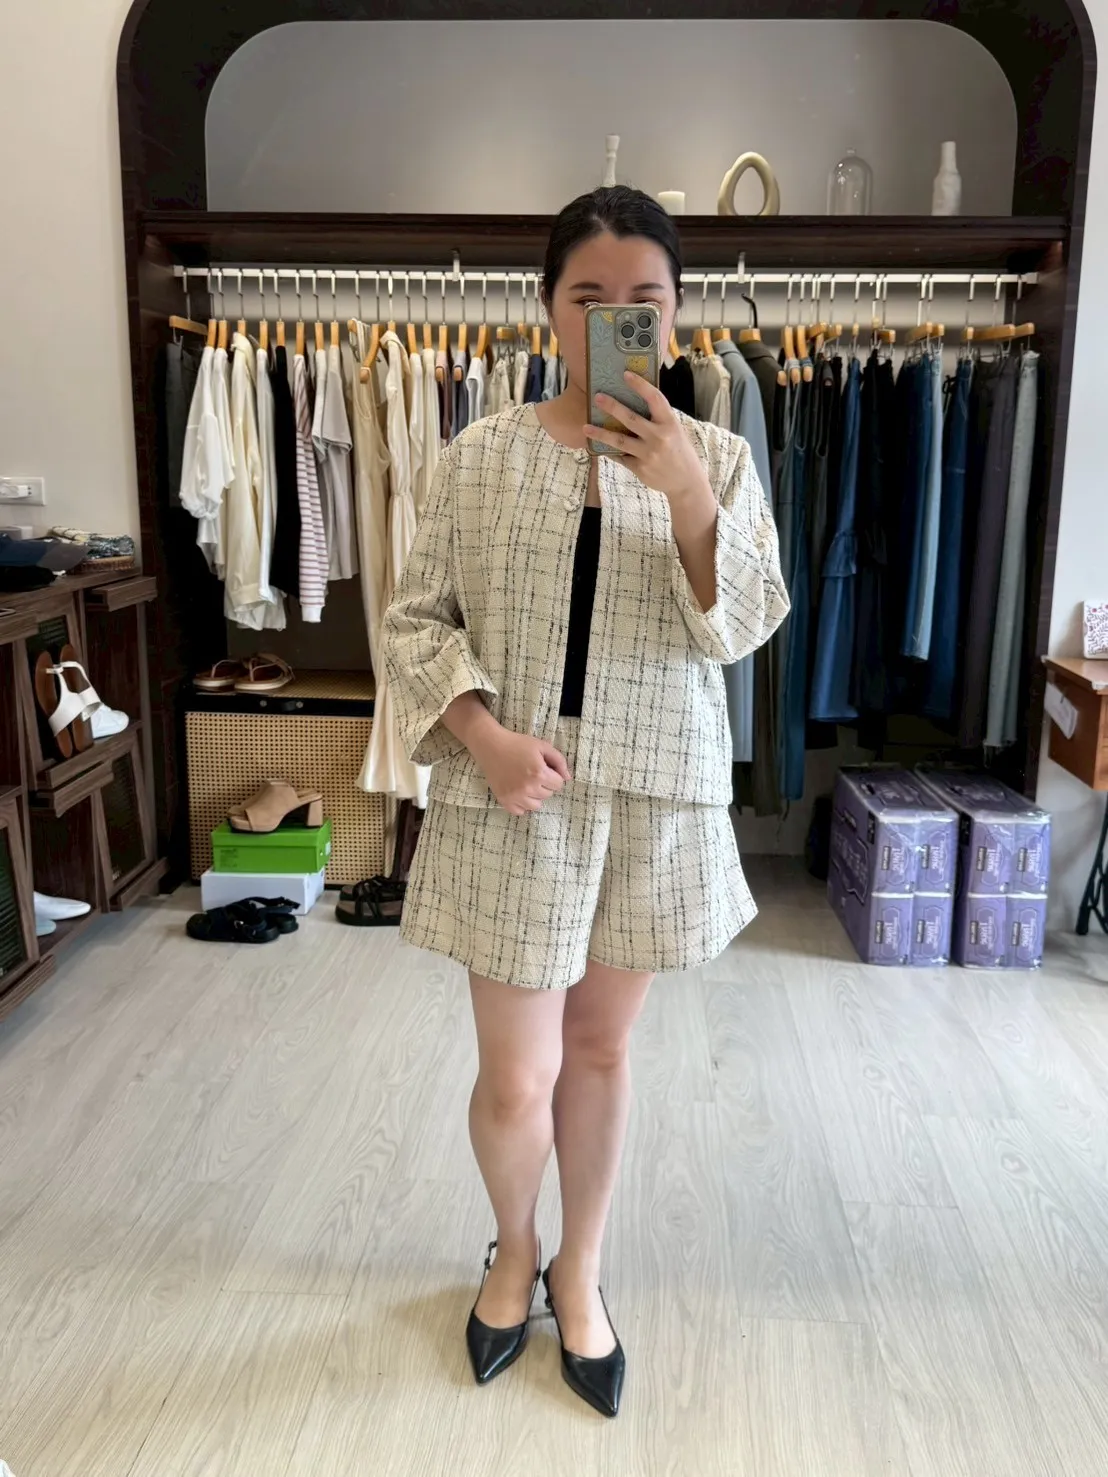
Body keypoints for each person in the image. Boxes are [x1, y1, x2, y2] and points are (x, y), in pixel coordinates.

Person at [380, 185, 789, 1418]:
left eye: (644, 301)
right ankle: (512, 1250)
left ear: (677, 316)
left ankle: (581, 1267)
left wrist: (686, 492)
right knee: (517, 1077)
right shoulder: (481, 455)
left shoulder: (717, 456)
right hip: (516, 800)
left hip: (653, 802)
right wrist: (483, 737)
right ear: (550, 311)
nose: (618, 318)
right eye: (589, 297)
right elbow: (413, 624)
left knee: (603, 1053)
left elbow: (743, 625)